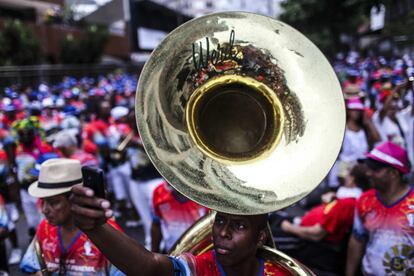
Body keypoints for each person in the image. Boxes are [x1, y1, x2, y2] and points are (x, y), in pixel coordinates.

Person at [70, 185, 291, 275]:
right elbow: (149, 266)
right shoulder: (199, 267)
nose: (223, 233)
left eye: (240, 225)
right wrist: (95, 227)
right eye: (220, 220)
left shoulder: (281, 273)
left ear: (261, 237)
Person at [20, 158, 124, 275]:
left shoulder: (105, 232)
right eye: (42, 201)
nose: (44, 210)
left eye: (53, 202)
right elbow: (29, 266)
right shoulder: (45, 227)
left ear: (75, 199)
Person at [346, 141, 414, 276]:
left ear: (394, 173)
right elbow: (357, 239)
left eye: (375, 169)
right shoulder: (365, 200)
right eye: (368, 167)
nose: (368, 173)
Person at [151, 181, 207, 253]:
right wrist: (154, 252)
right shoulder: (158, 192)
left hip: (199, 252)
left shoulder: (203, 195)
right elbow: (156, 224)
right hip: (170, 251)